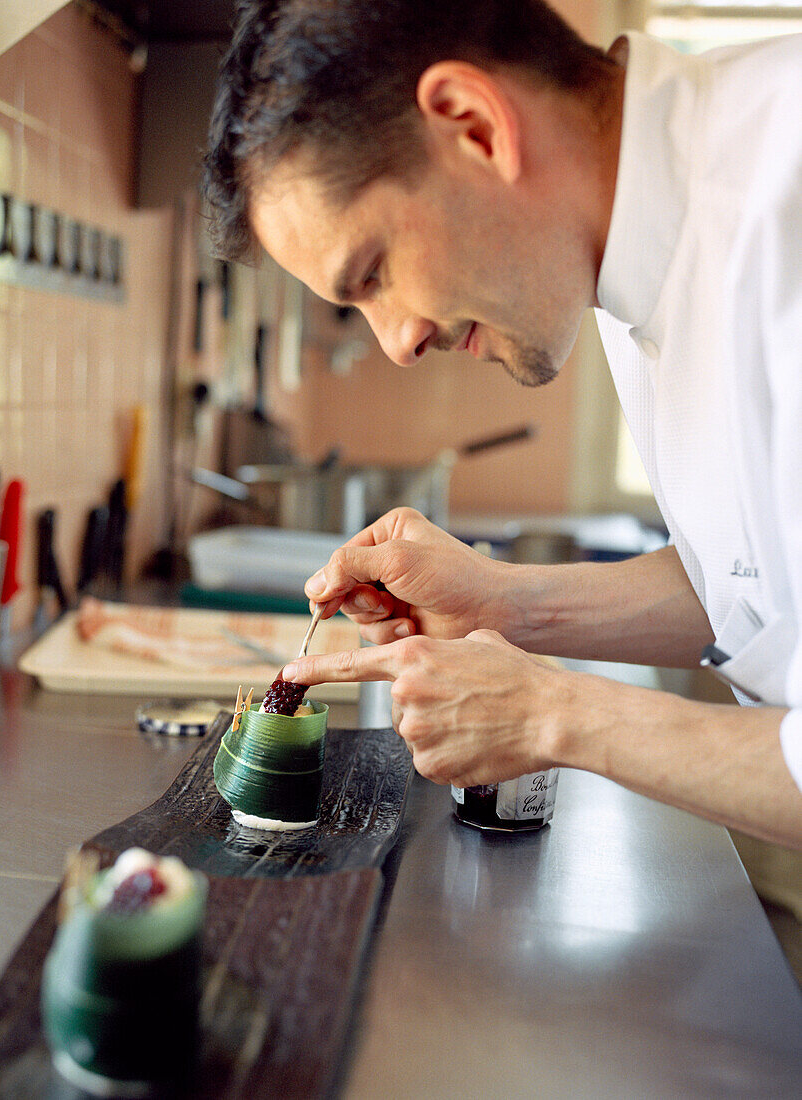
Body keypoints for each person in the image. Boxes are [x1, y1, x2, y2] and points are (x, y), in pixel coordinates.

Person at [203, 0, 802, 848]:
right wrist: (506, 601)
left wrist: (556, 716)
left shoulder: (785, 195)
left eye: (373, 272)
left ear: (473, 127)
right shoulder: (618, 251)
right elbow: (757, 586)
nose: (399, 343)